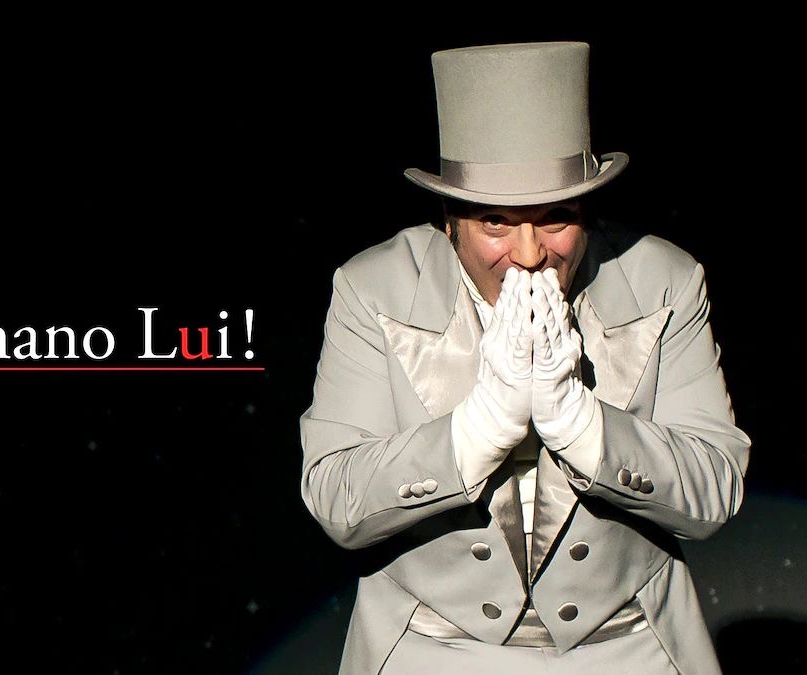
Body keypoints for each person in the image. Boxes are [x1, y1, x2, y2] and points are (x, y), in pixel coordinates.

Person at [298, 41, 751, 674]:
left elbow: (716, 488)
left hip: (627, 640)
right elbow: (335, 499)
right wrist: (478, 430)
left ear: (587, 213)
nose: (531, 254)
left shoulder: (665, 281)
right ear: (450, 220)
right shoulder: (372, 289)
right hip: (432, 644)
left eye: (556, 218)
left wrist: (584, 427)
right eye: (496, 223)